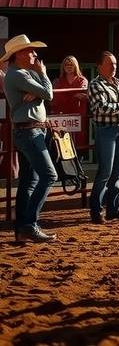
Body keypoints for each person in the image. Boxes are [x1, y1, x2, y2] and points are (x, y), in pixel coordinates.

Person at [3, 35, 57, 242]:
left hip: (30, 130)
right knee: (49, 176)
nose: (35, 54)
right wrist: (42, 76)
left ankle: (22, 229)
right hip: (30, 132)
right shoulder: (20, 75)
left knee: (29, 180)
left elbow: (43, 93)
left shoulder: (21, 73)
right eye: (30, 50)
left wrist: (37, 92)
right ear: (19, 54)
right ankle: (29, 224)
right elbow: (49, 94)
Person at [86, 51, 119, 224]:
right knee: (105, 171)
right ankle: (96, 209)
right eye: (109, 64)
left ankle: (113, 208)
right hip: (106, 130)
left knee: (118, 171)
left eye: (115, 63)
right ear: (100, 67)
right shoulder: (95, 84)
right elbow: (101, 108)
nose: (114, 67)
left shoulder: (118, 83)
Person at [52, 55, 89, 154]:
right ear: (63, 67)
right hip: (62, 116)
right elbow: (55, 98)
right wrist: (74, 95)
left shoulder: (82, 80)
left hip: (77, 117)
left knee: (78, 143)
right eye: (67, 65)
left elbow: (82, 95)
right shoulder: (58, 81)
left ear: (75, 66)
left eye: (71, 65)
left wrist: (72, 95)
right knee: (62, 144)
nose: (69, 67)